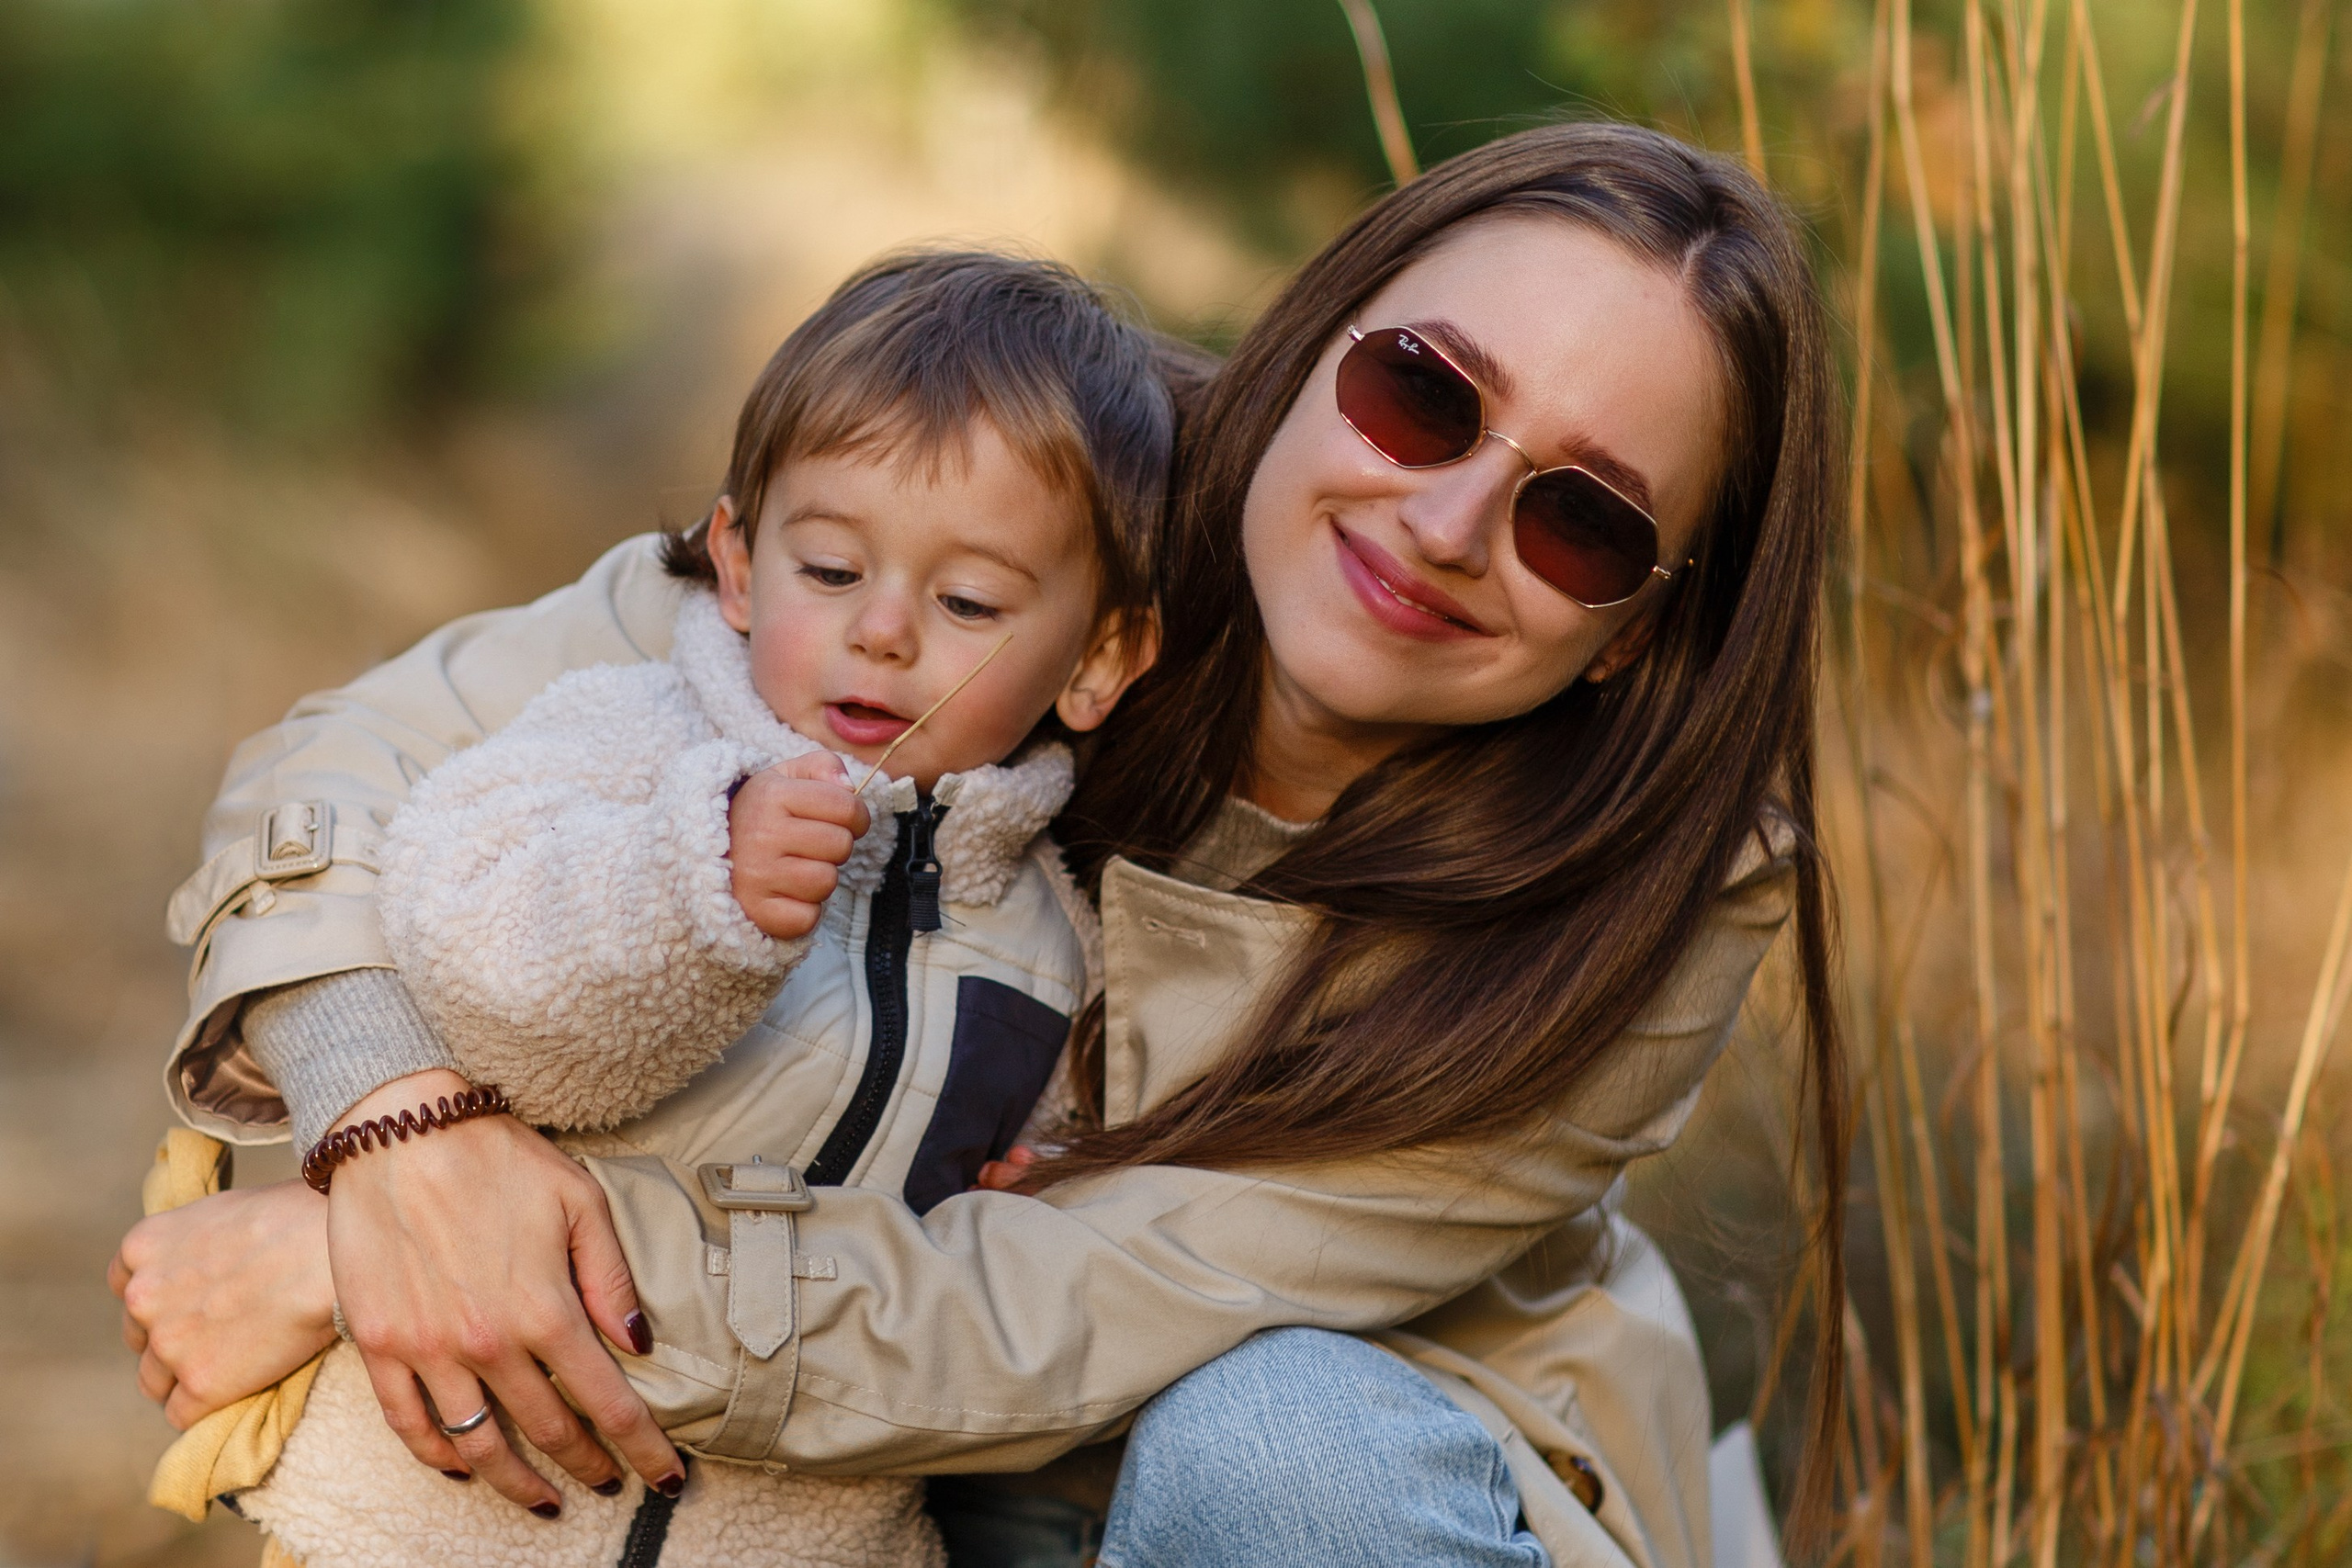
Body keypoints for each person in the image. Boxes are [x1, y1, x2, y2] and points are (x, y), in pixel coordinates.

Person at [115, 121, 1845, 1568]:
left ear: (1632, 631)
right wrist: (391, 1129)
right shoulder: (1022, 496)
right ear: (1312, 340)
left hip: (1374, 1496)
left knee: (1271, 1443)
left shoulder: (1655, 902)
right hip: (915, 1499)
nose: (1451, 522)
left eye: (1586, 520)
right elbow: (362, 761)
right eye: (1422, 393)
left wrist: (381, 1272)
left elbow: (1051, 1307)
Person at [212, 250, 1175, 1568]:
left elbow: (999, 1275)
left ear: (1102, 659)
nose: (883, 632)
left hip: (804, 1535)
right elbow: (478, 971)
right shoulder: (632, 752)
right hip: (443, 1518)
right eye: (830, 570)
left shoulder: (1056, 940)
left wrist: (1059, 1176)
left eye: (967, 603)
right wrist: (684, 887)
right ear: (736, 561)